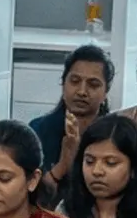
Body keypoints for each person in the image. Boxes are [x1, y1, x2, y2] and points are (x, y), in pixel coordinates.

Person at [29, 43, 115, 199]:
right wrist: (62, 166)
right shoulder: (37, 131)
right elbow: (27, 198)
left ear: (106, 93)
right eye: (75, 81)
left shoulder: (117, 135)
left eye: (93, 84)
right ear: (63, 84)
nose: (82, 91)